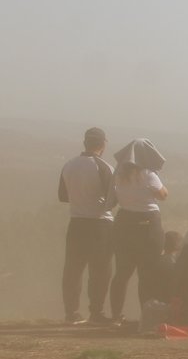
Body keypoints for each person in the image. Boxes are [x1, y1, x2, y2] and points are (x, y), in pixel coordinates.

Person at [108, 139, 168, 325]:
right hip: (148, 224)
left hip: (124, 223)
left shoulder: (119, 174)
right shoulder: (148, 175)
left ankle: (116, 316)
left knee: (122, 273)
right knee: (147, 273)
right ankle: (147, 317)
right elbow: (163, 195)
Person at [59, 127, 115, 325]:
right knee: (100, 271)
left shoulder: (69, 165)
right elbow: (112, 199)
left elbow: (63, 196)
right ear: (103, 144)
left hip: (76, 223)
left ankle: (71, 313)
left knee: (73, 269)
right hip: (100, 224)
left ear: (85, 143)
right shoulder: (105, 167)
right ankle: (96, 312)